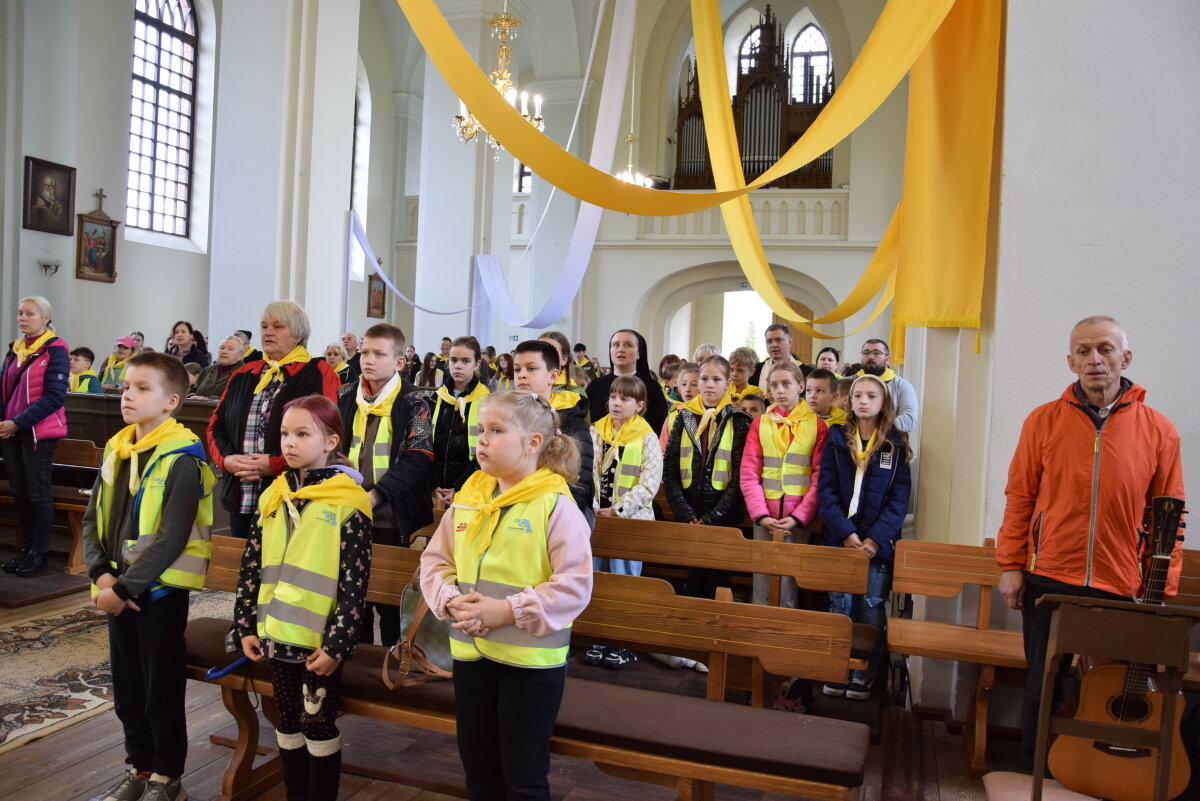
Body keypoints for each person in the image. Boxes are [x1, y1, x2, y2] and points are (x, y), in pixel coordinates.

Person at [994, 315, 1185, 766]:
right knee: (1044, 682)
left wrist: (1162, 586)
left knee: (1110, 685)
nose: (1094, 359)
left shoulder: (1159, 429)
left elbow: (1169, 515)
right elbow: (1020, 497)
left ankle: (1097, 769)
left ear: (1125, 358)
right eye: (1083, 351)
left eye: (1105, 349)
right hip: (1048, 575)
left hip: (1119, 581)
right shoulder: (1042, 421)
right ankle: (1035, 771)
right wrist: (1010, 565)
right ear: (1071, 361)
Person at [419, 392, 592, 801]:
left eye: (496, 431)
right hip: (471, 656)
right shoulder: (469, 497)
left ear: (533, 442)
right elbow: (435, 560)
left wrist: (507, 610)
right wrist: (449, 598)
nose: (482, 439)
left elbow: (574, 585)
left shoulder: (555, 505)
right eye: (481, 429)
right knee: (479, 770)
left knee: (523, 777)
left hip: (529, 665)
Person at [82, 353, 215, 801]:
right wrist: (102, 577)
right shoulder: (117, 450)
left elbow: (172, 537)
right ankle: (138, 768)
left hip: (158, 593)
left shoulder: (183, 460)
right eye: (126, 387)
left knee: (161, 690)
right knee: (128, 690)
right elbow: (91, 521)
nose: (128, 396)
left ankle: (167, 777)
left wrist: (124, 588)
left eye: (142, 388)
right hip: (116, 590)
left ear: (171, 401)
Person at [234, 395, 373, 801]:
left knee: (317, 724)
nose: (289, 443)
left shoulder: (348, 502)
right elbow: (252, 567)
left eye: (302, 434)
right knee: (287, 720)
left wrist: (337, 646)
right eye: (284, 434)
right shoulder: (275, 495)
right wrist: (245, 626)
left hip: (318, 644)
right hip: (276, 634)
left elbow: (354, 584)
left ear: (330, 441)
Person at [207, 300, 340, 538]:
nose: (268, 332)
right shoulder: (243, 373)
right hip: (241, 491)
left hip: (293, 492)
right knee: (241, 557)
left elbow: (326, 432)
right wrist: (226, 460)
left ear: (298, 335)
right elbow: (217, 425)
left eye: (278, 326)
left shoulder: (318, 372)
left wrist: (276, 463)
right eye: (264, 326)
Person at [338, 323, 433, 646]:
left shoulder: (415, 400)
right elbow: (333, 444)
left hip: (392, 514)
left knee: (391, 602)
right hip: (349, 510)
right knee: (353, 599)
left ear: (399, 362)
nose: (369, 360)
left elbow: (418, 457)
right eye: (365, 352)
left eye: (379, 354)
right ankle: (357, 658)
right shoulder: (345, 395)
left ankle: (392, 660)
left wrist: (377, 494)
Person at [819, 374, 912, 700]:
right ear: (849, 401)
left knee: (871, 607)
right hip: (841, 540)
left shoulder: (894, 443)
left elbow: (899, 500)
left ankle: (865, 673)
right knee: (839, 605)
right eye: (858, 395)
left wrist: (874, 539)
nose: (863, 401)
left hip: (876, 545)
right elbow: (826, 492)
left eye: (872, 396)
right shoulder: (836, 437)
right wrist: (846, 533)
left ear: (883, 402)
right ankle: (837, 669)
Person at [586, 376, 663, 670]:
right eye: (614, 397)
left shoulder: (647, 437)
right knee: (597, 580)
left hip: (630, 521)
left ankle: (624, 642)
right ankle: (598, 637)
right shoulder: (596, 431)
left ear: (639, 406)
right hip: (597, 519)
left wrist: (618, 509)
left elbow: (649, 484)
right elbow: (587, 472)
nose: (616, 403)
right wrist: (595, 506)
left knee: (626, 584)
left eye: (625, 399)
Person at [662, 355, 751, 598]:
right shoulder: (683, 417)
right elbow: (670, 469)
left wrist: (713, 518)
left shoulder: (738, 420)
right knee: (693, 580)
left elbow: (740, 476)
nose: (709, 385)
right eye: (704, 379)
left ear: (728, 383)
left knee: (717, 580)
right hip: (690, 512)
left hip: (722, 516)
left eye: (716, 379)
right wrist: (686, 513)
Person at [740, 361, 826, 608]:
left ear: (801, 386)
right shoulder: (760, 424)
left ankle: (785, 628)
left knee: (789, 581)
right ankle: (758, 627)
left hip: (796, 517)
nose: (779, 390)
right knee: (762, 578)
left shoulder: (817, 425)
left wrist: (799, 517)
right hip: (765, 514)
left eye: (786, 384)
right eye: (774, 385)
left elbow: (819, 477)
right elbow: (749, 473)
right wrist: (760, 515)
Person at [0, 296, 69, 578]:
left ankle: (39, 553)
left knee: (37, 493)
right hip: (11, 431)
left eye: (29, 314)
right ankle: (26, 549)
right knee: (20, 492)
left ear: (45, 318)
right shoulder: (15, 349)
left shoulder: (56, 350)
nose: (22, 318)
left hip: (38, 432)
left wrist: (17, 423)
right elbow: (4, 390)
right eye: (20, 313)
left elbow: (55, 396)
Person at [514, 340, 595, 524]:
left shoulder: (573, 422)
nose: (522, 375)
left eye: (531, 368)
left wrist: (541, 514)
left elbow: (578, 484)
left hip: (555, 516)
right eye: (517, 369)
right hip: (514, 509)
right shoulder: (507, 418)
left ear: (553, 376)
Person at [430, 336, 490, 505]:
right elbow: (424, 445)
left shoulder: (487, 401)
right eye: (453, 360)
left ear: (476, 364)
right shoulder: (437, 398)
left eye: (465, 361)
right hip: (434, 486)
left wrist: (458, 487)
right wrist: (433, 484)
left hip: (470, 487)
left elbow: (487, 452)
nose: (458, 366)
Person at [586, 329, 670, 435]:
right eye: (616, 345)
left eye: (628, 345)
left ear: (639, 353)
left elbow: (660, 427)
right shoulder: (595, 386)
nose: (621, 349)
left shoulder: (652, 387)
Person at [855, 339, 918, 433]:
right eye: (866, 353)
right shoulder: (850, 382)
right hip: (850, 438)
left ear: (887, 360)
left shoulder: (901, 386)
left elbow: (909, 419)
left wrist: (874, 429)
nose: (870, 357)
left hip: (888, 439)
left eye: (876, 353)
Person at [749, 324, 812, 388]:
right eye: (769, 341)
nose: (773, 345)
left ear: (790, 342)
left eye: (779, 340)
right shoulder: (756, 370)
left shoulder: (807, 372)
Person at [660, 362, 700, 451]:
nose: (688, 389)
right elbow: (663, 449)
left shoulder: (708, 415)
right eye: (684, 384)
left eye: (694, 384)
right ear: (678, 385)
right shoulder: (672, 416)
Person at [540, 330, 587, 404]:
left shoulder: (576, 394)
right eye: (537, 351)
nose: (541, 356)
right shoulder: (527, 384)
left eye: (550, 352)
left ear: (564, 359)